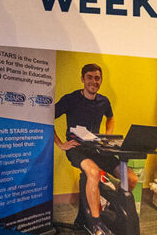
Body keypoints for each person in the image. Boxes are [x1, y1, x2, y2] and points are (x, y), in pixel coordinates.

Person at [54, 63, 138, 235]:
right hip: (77, 148)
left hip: (98, 148)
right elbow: (47, 118)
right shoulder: (70, 99)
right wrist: (61, 144)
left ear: (101, 80)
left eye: (97, 78)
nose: (94, 81)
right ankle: (96, 223)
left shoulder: (104, 101)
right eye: (90, 77)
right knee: (92, 173)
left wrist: (107, 136)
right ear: (83, 79)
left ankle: (111, 204)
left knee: (131, 178)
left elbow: (111, 118)